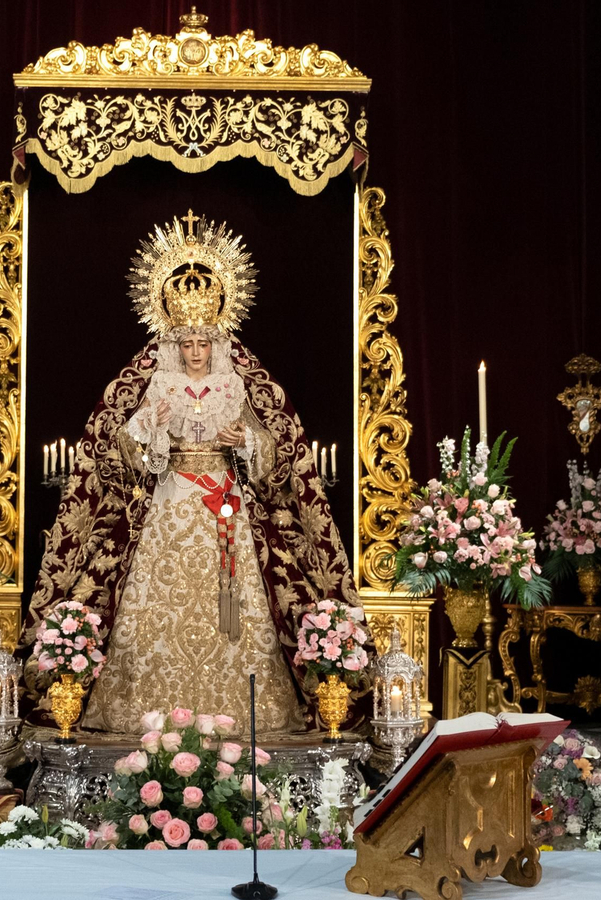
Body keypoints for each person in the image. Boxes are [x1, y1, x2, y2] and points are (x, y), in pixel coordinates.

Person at [25, 211, 362, 735]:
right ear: (174, 343)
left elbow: (270, 448)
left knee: (236, 606)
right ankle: (147, 708)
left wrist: (244, 441)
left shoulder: (236, 386)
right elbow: (127, 448)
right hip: (173, 499)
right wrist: (151, 429)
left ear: (219, 342)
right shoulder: (157, 385)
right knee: (157, 603)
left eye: (205, 343)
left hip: (225, 500)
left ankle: (243, 709)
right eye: (187, 344)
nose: (197, 352)